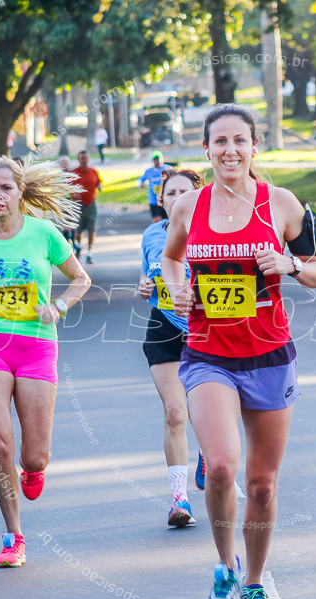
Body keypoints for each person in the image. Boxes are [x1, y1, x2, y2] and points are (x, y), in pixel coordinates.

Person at [161, 104, 316, 599]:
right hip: (209, 353)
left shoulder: (279, 203)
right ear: (206, 149)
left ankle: (254, 584)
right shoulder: (189, 206)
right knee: (222, 465)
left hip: (269, 355)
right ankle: (225, 567)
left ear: (255, 147)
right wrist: (176, 288)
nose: (230, 150)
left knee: (261, 483)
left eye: (240, 141)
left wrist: (292, 264)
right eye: (220, 142)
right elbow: (170, 259)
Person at [0, 157, 92, 568]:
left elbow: (81, 278)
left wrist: (59, 306)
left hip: (36, 346)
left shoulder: (43, 233)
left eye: (5, 188)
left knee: (34, 457)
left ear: (20, 191)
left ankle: (33, 469)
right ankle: (13, 536)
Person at [137, 168, 207, 527]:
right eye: (169, 194)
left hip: (206, 329)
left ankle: (207, 452)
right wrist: (144, 287)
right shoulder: (151, 234)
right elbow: (148, 275)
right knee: (175, 412)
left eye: (185, 192)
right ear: (161, 201)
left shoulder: (213, 234)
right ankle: (179, 500)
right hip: (163, 329)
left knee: (205, 412)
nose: (177, 199)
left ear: (198, 196)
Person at [70, 151, 103, 264]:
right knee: (78, 230)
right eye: (82, 158)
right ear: (79, 159)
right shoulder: (74, 173)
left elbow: (98, 183)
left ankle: (89, 251)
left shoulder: (93, 171)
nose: (84, 160)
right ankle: (78, 248)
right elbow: (68, 188)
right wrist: (73, 194)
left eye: (86, 158)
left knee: (91, 228)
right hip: (78, 204)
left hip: (90, 203)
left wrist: (99, 187)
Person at [138, 151, 172, 221]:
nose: (157, 161)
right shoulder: (149, 171)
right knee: (157, 220)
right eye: (155, 159)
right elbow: (140, 181)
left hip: (166, 199)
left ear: (162, 159)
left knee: (168, 220)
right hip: (153, 200)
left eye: (159, 159)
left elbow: (177, 178)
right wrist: (141, 184)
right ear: (153, 160)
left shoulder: (168, 169)